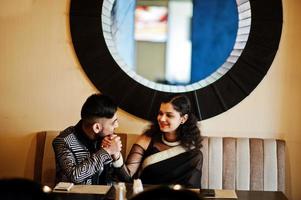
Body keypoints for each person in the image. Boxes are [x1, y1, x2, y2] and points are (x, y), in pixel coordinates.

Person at [119, 94, 203, 188]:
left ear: (183, 119)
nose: (162, 119)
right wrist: (116, 156)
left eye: (169, 115)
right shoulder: (146, 140)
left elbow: (192, 190)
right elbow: (127, 177)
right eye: (160, 113)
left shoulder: (194, 154)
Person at [52, 94, 125, 185]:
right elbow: (74, 176)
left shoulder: (108, 138)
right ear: (97, 128)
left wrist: (116, 157)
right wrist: (106, 152)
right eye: (113, 123)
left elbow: (127, 180)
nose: (117, 126)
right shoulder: (63, 141)